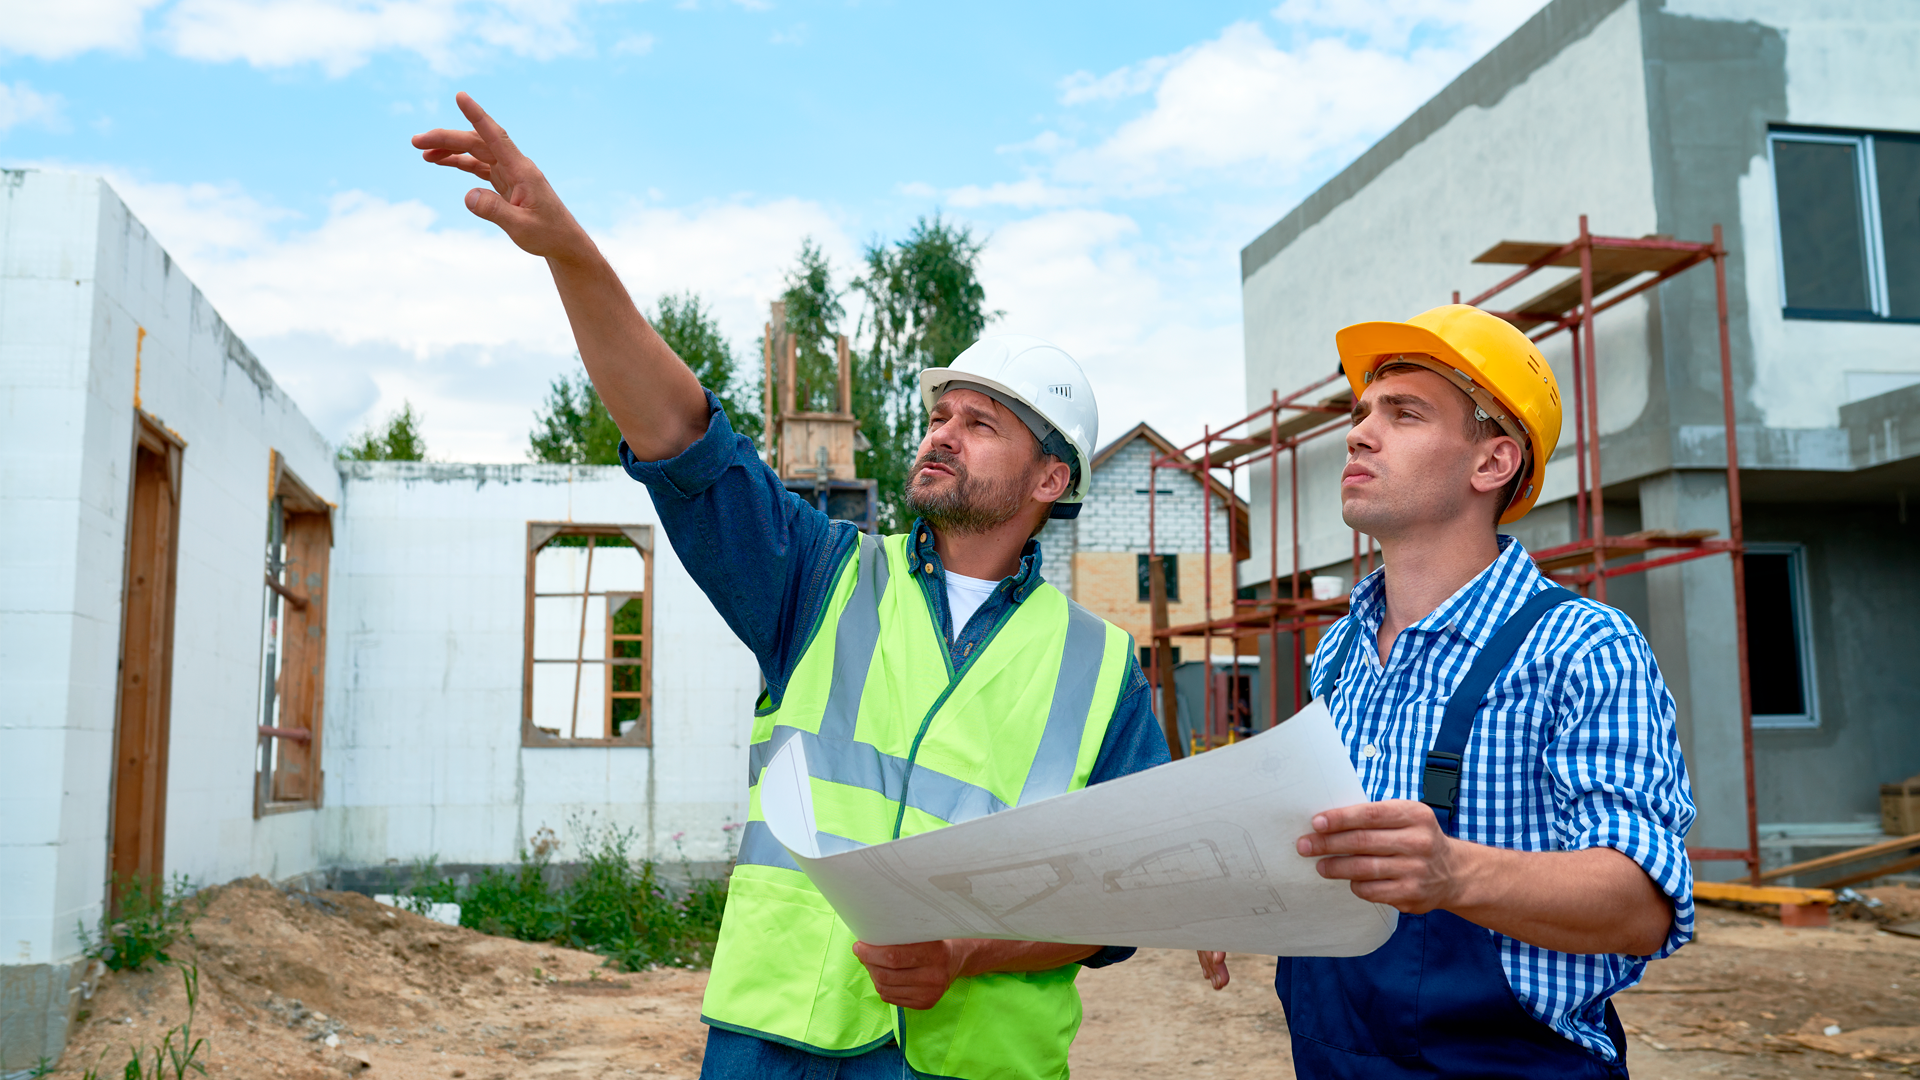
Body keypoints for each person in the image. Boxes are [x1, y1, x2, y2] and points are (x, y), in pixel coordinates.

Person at [412, 92, 1171, 1080]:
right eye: (941, 412)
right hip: (777, 1049)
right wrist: (571, 255)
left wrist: (969, 952)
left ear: (1050, 479)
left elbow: (1123, 902)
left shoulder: (1102, 670)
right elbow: (685, 441)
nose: (942, 431)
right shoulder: (824, 580)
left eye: (981, 423)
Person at [1197, 305, 1696, 1077]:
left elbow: (1642, 905)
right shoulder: (1339, 652)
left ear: (1491, 463)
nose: (1359, 433)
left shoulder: (1583, 649)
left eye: (1404, 413)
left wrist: (1454, 873)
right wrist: (1252, 885)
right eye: (1362, 413)